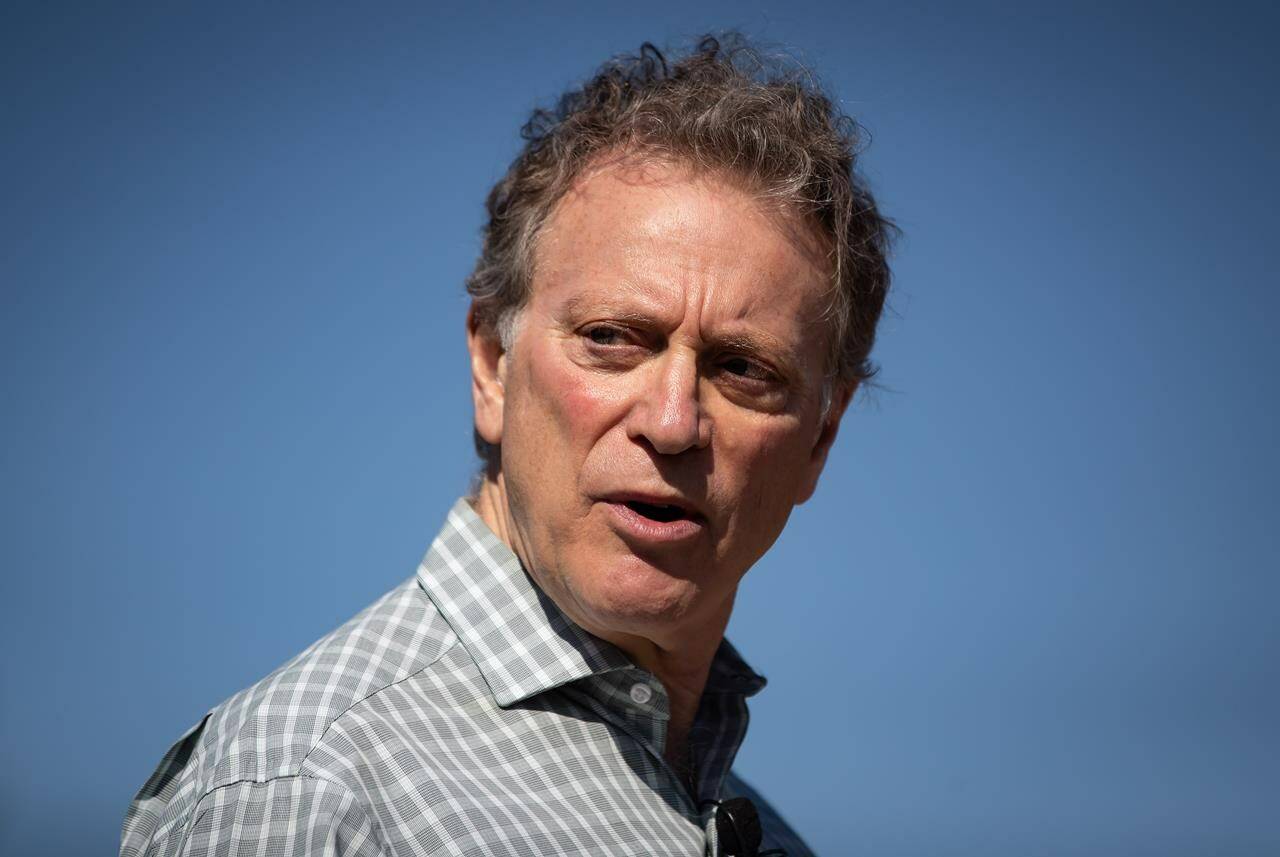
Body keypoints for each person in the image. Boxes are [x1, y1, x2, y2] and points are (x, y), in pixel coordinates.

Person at [121, 34, 893, 857]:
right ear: (491, 363)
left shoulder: (765, 832)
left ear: (822, 437)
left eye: (742, 369)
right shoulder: (313, 789)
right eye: (612, 338)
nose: (672, 422)